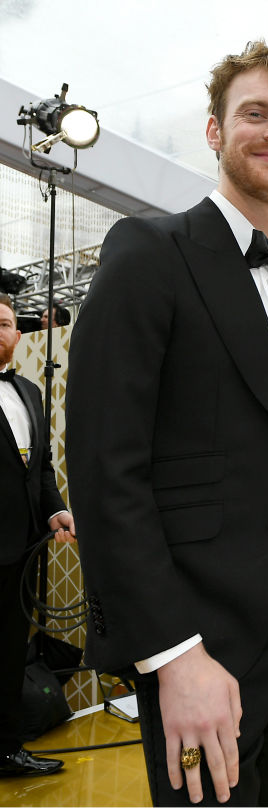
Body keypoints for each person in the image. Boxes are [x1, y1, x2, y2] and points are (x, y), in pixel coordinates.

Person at [66, 39, 268, 806]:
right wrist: (169, 652)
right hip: (196, 626)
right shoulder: (149, 253)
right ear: (215, 131)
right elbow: (103, 467)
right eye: (255, 113)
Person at [0, 293, 75, 778]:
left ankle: (6, 748)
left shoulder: (29, 392)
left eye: (5, 323)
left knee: (9, 652)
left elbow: (40, 469)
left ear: (18, 336)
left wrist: (55, 513)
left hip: (22, 554)